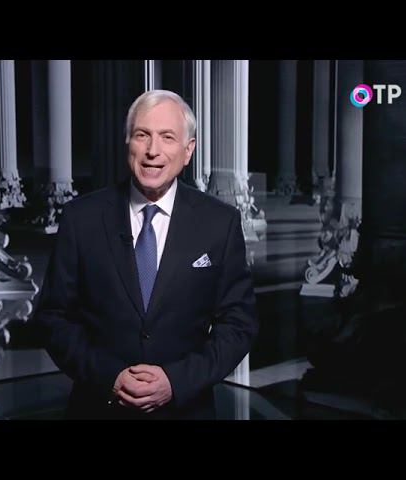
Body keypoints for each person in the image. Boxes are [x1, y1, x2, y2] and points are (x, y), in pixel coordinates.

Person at [36, 89, 258, 419]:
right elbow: (53, 318)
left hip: (186, 411)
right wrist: (110, 377)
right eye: (143, 135)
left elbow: (239, 325)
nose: (153, 150)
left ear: (188, 150)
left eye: (167, 137)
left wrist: (175, 381)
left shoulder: (220, 223)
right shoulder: (80, 218)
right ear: (128, 142)